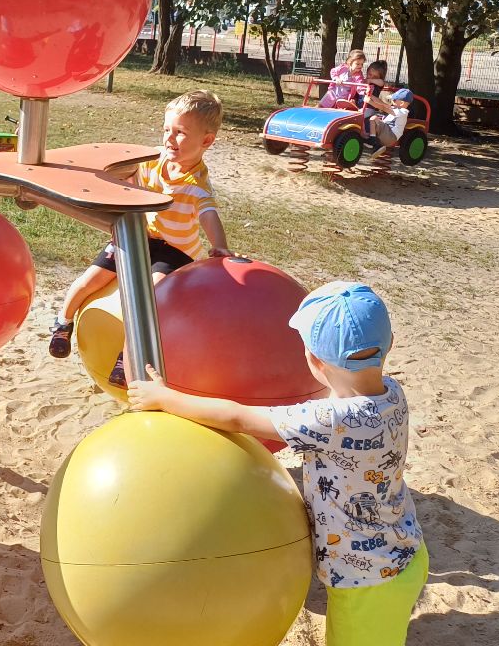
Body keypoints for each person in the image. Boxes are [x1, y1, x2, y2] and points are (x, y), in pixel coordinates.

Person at [127, 282, 427, 646]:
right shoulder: (393, 393)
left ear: (313, 361)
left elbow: (236, 417)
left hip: (368, 581)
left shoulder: (327, 420)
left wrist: (165, 398)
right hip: (405, 553)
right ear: (390, 343)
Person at [47, 90, 233, 387]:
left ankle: (128, 356)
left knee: (151, 297)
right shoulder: (153, 160)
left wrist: (219, 245)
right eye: (167, 130)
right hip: (140, 236)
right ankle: (63, 322)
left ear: (206, 141)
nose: (170, 138)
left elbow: (209, 214)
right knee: (91, 279)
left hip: (175, 251)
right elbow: (125, 172)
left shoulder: (197, 184)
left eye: (181, 133)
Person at [366, 89, 413, 154]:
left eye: (394, 100)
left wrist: (370, 102)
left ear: (401, 103)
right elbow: (381, 103)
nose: (392, 102)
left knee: (374, 119)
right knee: (372, 123)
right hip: (387, 134)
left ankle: (374, 142)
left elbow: (383, 108)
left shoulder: (403, 112)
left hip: (390, 136)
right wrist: (370, 95)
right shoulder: (395, 108)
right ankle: (373, 140)